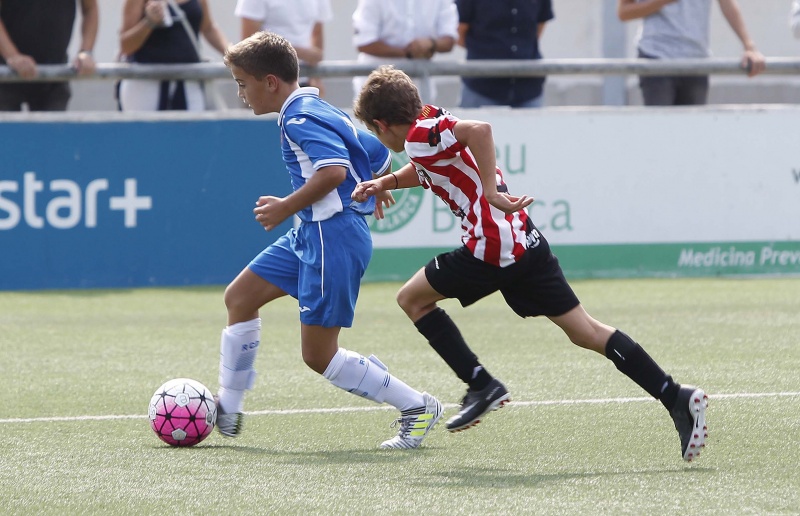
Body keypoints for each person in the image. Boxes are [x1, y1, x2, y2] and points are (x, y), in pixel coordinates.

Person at [352, 65, 708, 462]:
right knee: (586, 331)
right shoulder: (428, 120)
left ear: (382, 124)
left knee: (412, 299)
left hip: (491, 245)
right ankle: (676, 396)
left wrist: (489, 191)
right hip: (523, 238)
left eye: (373, 131)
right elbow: (430, 169)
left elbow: (481, 130)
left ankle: (481, 384)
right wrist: (385, 182)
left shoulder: (418, 137)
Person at [217, 32, 442, 450]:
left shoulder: (297, 117)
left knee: (319, 355)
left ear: (270, 82)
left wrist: (284, 206)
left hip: (332, 237)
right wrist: (377, 182)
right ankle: (227, 405)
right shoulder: (313, 103)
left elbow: (335, 171)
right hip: (312, 231)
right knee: (240, 297)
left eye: (242, 83)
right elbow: (374, 151)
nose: (240, 93)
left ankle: (416, 405)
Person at [617, 0, 765, 106]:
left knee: (692, 136)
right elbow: (623, 12)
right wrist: (659, 2)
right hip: (656, 57)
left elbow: (727, 3)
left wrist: (749, 46)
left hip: (696, 60)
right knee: (660, 134)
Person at [118, 0, 229, 111]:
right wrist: (149, 22)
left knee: (191, 128)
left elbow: (208, 27)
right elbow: (126, 46)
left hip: (189, 82)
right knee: (145, 128)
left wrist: (232, 52)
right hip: (145, 84)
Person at [351, 0, 458, 103]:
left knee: (424, 120)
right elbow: (364, 43)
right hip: (377, 92)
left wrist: (431, 44)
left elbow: (450, 39)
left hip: (420, 90)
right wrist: (409, 52)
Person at [0, 0, 98, 111]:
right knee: (7, 128)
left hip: (55, 73)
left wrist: (85, 52)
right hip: (6, 72)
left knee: (53, 128)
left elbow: (90, 9)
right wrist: (12, 56)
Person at [455, 0, 553, 108]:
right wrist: (485, 51)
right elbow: (458, 32)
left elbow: (538, 27)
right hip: (482, 87)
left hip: (528, 89)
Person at [234, 0, 332, 93]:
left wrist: (316, 76)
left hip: (303, 82)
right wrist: (293, 51)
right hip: (266, 83)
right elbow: (248, 45)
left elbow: (317, 34)